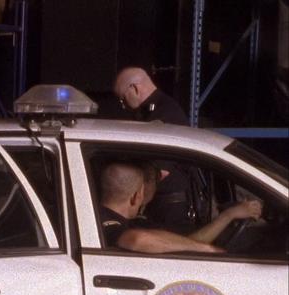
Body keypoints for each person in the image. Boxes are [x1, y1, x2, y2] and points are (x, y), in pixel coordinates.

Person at [98, 162, 257, 253]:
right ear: (136, 195)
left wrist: (228, 215)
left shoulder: (137, 222)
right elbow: (136, 239)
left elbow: (187, 242)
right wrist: (207, 250)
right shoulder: (104, 221)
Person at [113, 66, 199, 230]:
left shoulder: (164, 116)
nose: (123, 106)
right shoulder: (157, 110)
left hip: (168, 208)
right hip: (163, 203)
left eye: (122, 99)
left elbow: (159, 172)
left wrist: (128, 203)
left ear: (135, 88)